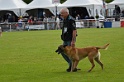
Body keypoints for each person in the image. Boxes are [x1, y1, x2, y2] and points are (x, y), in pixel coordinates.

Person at [59, 8, 78, 72]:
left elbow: (74, 30)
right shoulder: (64, 19)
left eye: (62, 13)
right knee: (62, 51)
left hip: (70, 39)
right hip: (65, 39)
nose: (61, 15)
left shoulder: (71, 20)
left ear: (66, 13)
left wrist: (73, 40)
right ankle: (71, 64)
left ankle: (72, 66)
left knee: (71, 54)